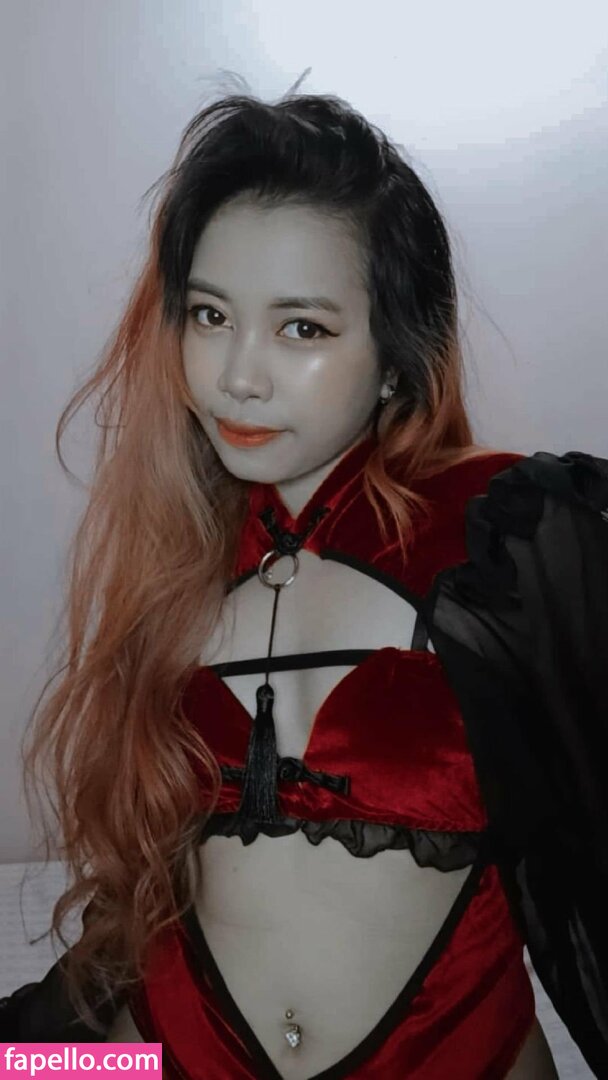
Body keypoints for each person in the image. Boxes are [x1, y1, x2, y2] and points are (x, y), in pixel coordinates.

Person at [2, 89, 607, 1079]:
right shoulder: (177, 566)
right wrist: (48, 1059)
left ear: (395, 357)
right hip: (168, 1058)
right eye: (210, 315)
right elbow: (147, 904)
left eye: (302, 329)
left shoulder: (503, 538)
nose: (238, 376)